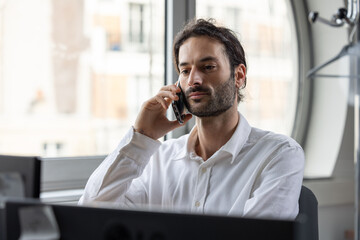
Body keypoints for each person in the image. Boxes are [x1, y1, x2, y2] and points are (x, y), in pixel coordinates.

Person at [79, 18, 304, 220]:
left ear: (239, 76)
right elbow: (90, 214)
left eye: (207, 67)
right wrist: (141, 137)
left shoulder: (279, 154)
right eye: (185, 71)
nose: (194, 79)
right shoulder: (159, 159)